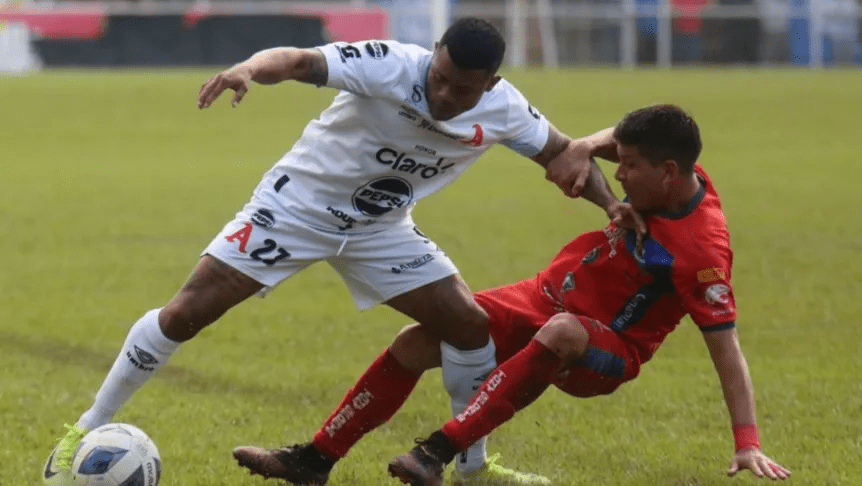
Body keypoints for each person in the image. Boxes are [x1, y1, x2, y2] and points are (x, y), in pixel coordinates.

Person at [42, 17, 640, 486]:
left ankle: (473, 465)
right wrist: (248, 67)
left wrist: (611, 206)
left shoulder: (506, 109)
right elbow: (299, 60)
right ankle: (84, 430)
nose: (443, 93)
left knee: (468, 325)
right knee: (186, 314)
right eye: (439, 76)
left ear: (490, 83)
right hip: (295, 210)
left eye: (462, 89)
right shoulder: (390, 64)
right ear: (433, 54)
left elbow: (565, 153)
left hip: (380, 228)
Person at [382, 104, 792, 485]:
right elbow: (619, 139)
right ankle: (337, 449)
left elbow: (727, 351)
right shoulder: (673, 174)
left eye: (629, 165)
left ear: (667, 172)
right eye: (621, 160)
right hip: (555, 299)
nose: (619, 174)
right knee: (428, 334)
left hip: (609, 348)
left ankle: (436, 452)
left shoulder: (701, 255)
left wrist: (748, 442)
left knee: (562, 331)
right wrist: (585, 146)